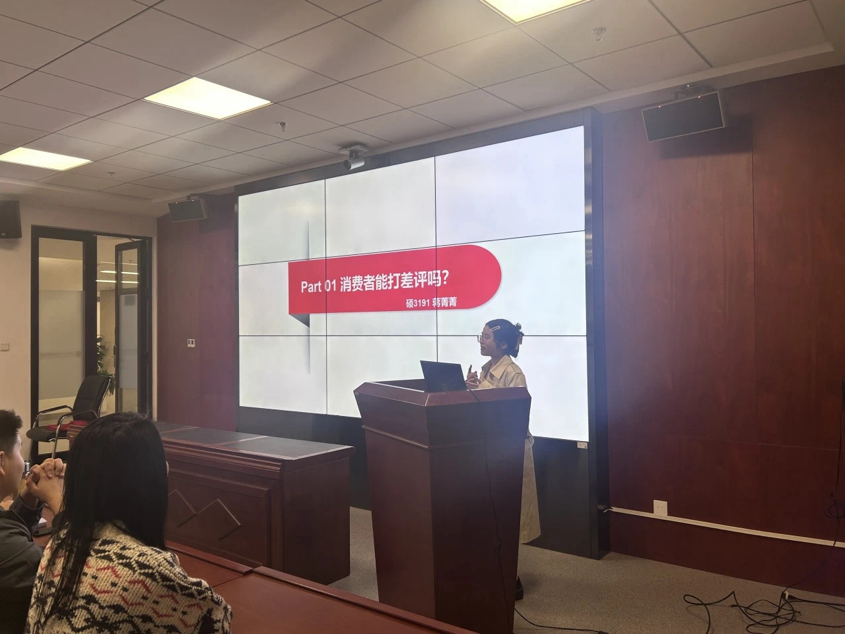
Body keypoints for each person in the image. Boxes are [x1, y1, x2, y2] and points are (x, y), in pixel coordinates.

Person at [26, 413, 232, 634]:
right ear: (151, 481)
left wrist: (59, 496)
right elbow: (217, 619)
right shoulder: (150, 572)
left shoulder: (58, 546)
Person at [466, 320, 540, 601]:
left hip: (510, 454)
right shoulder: (486, 368)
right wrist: (468, 389)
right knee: (491, 518)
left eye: (486, 337)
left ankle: (511, 579)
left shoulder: (513, 373)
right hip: (490, 452)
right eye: (481, 336)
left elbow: (514, 416)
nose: (482, 341)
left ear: (504, 344)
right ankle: (495, 572)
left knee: (508, 520)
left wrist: (481, 391)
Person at [0, 409, 66, 634]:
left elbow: (9, 529)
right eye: (19, 451)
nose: (24, 461)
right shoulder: (14, 552)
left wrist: (28, 500)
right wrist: (57, 500)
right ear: (1, 460)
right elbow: (68, 570)